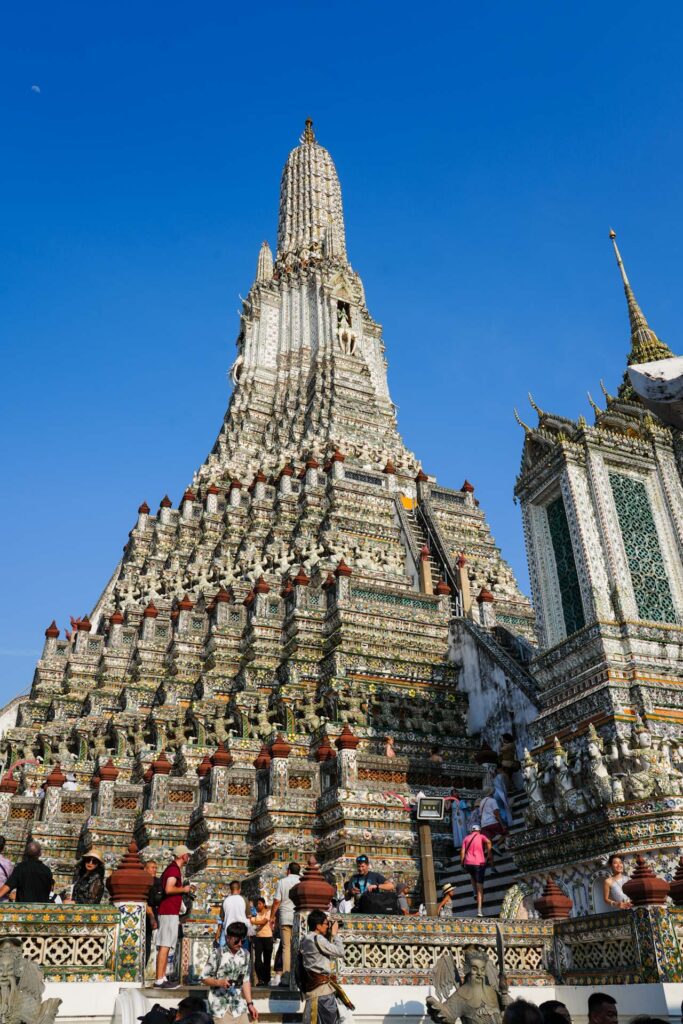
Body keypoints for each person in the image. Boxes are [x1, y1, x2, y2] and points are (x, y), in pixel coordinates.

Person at [299, 909, 353, 1024]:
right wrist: (335, 935)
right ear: (318, 926)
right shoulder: (318, 939)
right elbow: (340, 952)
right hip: (323, 993)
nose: (327, 926)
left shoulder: (305, 939)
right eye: (325, 923)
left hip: (313, 989)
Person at [202, 921, 258, 1024]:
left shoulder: (245, 955)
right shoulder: (217, 954)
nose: (240, 944)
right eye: (236, 941)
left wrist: (250, 1004)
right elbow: (204, 977)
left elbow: (245, 980)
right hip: (220, 1007)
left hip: (239, 1006)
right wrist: (219, 983)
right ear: (228, 938)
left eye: (243, 940)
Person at [155, 844, 193, 989]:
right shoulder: (173, 870)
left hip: (171, 911)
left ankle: (163, 976)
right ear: (183, 856)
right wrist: (184, 889)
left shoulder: (174, 869)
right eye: (187, 855)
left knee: (168, 944)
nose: (188, 857)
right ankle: (159, 979)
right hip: (168, 911)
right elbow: (169, 888)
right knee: (165, 945)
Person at [269, 862, 300, 988]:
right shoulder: (302, 882)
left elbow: (277, 901)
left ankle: (287, 977)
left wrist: (271, 917)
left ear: (288, 871)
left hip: (285, 916)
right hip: (299, 917)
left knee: (286, 947)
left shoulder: (283, 882)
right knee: (298, 947)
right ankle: (297, 977)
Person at [460, 825, 492, 918]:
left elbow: (462, 852)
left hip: (468, 863)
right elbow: (489, 842)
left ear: (471, 831)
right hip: (479, 863)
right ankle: (479, 910)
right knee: (480, 888)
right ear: (479, 830)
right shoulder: (481, 836)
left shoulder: (466, 838)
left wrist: (462, 863)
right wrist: (488, 854)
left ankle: (474, 892)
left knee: (472, 875)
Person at [217, 881, 250, 948]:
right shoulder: (244, 900)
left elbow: (222, 919)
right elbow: (248, 916)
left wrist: (218, 932)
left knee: (225, 955)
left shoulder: (225, 901)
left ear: (230, 890)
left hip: (228, 933)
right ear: (239, 889)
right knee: (243, 955)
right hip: (242, 932)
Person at [252, 897, 273, 987]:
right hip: (258, 938)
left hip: (268, 937)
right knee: (257, 960)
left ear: (264, 904)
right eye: (257, 904)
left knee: (267, 960)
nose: (258, 905)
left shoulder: (268, 912)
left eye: (260, 904)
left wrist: (252, 921)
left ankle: (266, 979)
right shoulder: (255, 913)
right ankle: (260, 979)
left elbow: (264, 922)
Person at [145, 860, 162, 964]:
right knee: (146, 942)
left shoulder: (158, 882)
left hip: (157, 914)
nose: (155, 870)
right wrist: (151, 917)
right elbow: (145, 901)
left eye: (156, 867)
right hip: (146, 916)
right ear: (145, 869)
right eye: (152, 867)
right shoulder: (143, 881)